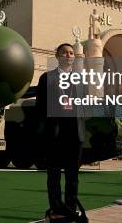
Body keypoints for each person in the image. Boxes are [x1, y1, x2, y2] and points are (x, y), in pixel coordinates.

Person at [35, 43, 86, 220]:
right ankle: (56, 210)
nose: (68, 55)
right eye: (64, 52)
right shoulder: (46, 78)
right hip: (54, 134)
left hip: (74, 134)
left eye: (71, 53)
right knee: (54, 176)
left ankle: (71, 210)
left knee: (73, 177)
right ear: (57, 56)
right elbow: (40, 108)